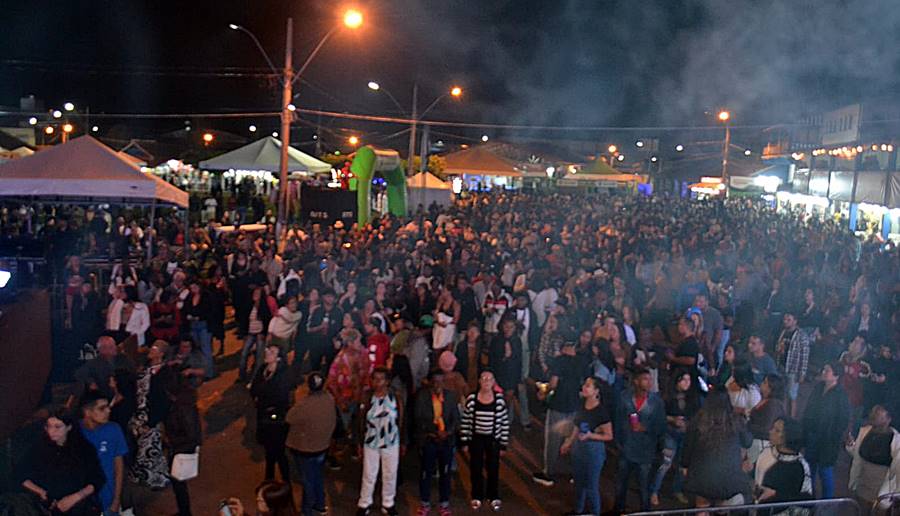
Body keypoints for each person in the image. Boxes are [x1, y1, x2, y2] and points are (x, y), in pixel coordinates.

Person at [18, 407, 105, 516]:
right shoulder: (37, 448)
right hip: (45, 506)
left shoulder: (84, 449)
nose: (51, 431)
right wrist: (41, 492)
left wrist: (75, 498)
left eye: (57, 427)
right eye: (48, 426)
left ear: (69, 427)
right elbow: (20, 474)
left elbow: (97, 479)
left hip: (78, 506)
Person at [681, 392, 753, 510]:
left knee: (702, 505)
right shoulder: (735, 421)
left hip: (700, 478)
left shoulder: (697, 421)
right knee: (724, 504)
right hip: (729, 479)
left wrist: (685, 466)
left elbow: (687, 449)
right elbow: (748, 442)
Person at [533, 340, 585, 487]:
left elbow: (553, 384)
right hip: (574, 405)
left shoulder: (559, 361)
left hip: (558, 404)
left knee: (553, 440)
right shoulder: (580, 362)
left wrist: (544, 393)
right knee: (572, 439)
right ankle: (575, 473)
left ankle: (548, 473)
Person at [614, 368, 666, 513]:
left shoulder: (657, 402)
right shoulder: (624, 397)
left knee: (644, 486)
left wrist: (647, 428)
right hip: (626, 447)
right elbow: (617, 420)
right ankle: (619, 509)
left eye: (650, 379)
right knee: (621, 484)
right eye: (645, 379)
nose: (649, 383)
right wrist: (619, 442)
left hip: (645, 451)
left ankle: (645, 511)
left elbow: (662, 427)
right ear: (636, 381)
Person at [560, 377, 614, 516]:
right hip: (579, 448)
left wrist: (591, 436)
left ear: (596, 391)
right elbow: (577, 426)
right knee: (578, 483)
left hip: (593, 451)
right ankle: (578, 510)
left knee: (591, 486)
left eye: (588, 386)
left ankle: (595, 512)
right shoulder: (582, 404)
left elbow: (609, 435)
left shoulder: (601, 412)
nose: (584, 387)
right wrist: (569, 442)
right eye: (584, 384)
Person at [356, 366, 404, 516]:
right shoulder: (366, 397)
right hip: (371, 442)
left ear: (387, 381)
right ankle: (364, 503)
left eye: (381, 379)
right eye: (375, 379)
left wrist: (403, 441)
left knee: (390, 473)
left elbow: (402, 419)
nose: (377, 382)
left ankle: (388, 503)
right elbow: (359, 420)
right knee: (369, 474)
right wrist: (358, 442)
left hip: (391, 442)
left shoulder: (395, 397)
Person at [285, 372, 336, 516]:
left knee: (308, 481)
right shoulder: (329, 399)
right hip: (322, 446)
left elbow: (289, 418)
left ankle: (307, 510)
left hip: (305, 449)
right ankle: (320, 504)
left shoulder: (304, 404)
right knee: (317, 476)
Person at [460, 370, 510, 512]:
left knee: (493, 468)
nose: (487, 381)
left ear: (494, 382)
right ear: (479, 381)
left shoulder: (499, 400)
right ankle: (477, 495)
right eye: (484, 378)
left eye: (489, 379)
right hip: (476, 439)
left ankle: (493, 495)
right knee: (475, 468)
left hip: (493, 440)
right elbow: (466, 421)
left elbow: (505, 423)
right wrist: (464, 441)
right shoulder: (472, 399)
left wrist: (503, 444)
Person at [128, 340, 175, 489]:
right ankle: (149, 476)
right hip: (141, 415)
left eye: (154, 348)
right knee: (145, 448)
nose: (150, 350)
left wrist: (152, 422)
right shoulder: (147, 368)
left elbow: (162, 401)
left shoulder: (165, 373)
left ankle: (155, 478)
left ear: (161, 354)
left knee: (150, 449)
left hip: (151, 417)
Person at [413, 369, 460, 516]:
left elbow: (456, 419)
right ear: (430, 382)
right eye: (435, 381)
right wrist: (433, 432)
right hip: (429, 440)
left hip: (446, 441)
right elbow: (418, 418)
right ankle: (424, 502)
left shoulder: (450, 397)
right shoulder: (422, 396)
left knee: (445, 473)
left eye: (441, 381)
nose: (438, 384)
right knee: (426, 472)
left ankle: (444, 503)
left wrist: (447, 432)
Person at [650, 371, 700, 506]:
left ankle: (677, 489)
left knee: (681, 465)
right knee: (666, 463)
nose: (686, 383)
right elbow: (659, 415)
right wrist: (672, 419)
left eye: (688, 380)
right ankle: (654, 491)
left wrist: (688, 423)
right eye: (683, 379)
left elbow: (696, 415)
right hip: (670, 433)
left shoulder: (692, 398)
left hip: (685, 435)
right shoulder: (666, 397)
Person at [801, 361, 851, 499]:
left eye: (827, 370)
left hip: (828, 441)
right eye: (824, 369)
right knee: (809, 470)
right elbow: (808, 410)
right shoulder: (818, 388)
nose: (824, 372)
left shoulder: (841, 396)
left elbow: (843, 420)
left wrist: (833, 435)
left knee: (825, 472)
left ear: (836, 376)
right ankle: (808, 498)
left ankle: (826, 503)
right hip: (812, 435)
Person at [80, 391, 129, 515]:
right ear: (87, 412)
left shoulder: (114, 429)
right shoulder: (76, 432)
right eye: (102, 408)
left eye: (108, 407)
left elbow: (119, 466)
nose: (108, 411)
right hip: (83, 499)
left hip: (108, 496)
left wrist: (117, 499)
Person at [250, 344, 293, 481]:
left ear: (279, 358)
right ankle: (269, 479)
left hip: (276, 419)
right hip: (263, 415)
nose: (267, 352)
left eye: (272, 352)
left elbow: (280, 397)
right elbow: (254, 388)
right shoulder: (263, 369)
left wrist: (262, 395)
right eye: (267, 350)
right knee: (269, 450)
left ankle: (285, 480)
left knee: (278, 451)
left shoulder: (283, 374)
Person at [848, 405, 900, 511]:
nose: (874, 418)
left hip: (881, 489)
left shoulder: (896, 441)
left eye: (879, 416)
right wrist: (850, 445)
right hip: (862, 485)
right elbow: (858, 454)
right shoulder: (865, 432)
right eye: (874, 414)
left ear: (888, 419)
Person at [754, 417, 813, 507]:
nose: (771, 431)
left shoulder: (798, 466)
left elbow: (804, 499)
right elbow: (758, 472)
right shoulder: (767, 451)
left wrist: (775, 494)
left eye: (777, 430)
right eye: (773, 428)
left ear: (788, 436)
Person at [488, 318, 524, 427]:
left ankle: (505, 422)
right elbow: (492, 359)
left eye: (511, 327)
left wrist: (518, 380)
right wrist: (505, 357)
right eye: (506, 326)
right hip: (498, 375)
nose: (508, 329)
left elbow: (518, 361)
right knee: (496, 400)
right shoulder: (496, 340)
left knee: (507, 401)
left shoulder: (517, 341)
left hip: (511, 377)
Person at [748, 375, 788, 466]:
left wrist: (747, 425)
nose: (762, 384)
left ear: (771, 388)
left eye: (765, 383)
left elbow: (766, 429)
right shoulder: (765, 400)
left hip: (761, 445)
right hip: (755, 441)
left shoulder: (773, 405)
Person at [776, 313, 810, 417]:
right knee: (782, 393)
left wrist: (802, 373)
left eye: (788, 319)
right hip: (782, 366)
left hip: (793, 369)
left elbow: (805, 356)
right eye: (785, 319)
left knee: (792, 395)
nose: (785, 321)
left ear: (795, 321)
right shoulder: (783, 332)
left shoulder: (801, 336)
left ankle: (791, 417)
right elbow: (778, 348)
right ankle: (783, 415)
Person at [240, 286, 273, 383]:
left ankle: (255, 377)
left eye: (258, 294)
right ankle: (242, 375)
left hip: (259, 334)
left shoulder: (264, 307)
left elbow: (267, 321)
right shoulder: (249, 306)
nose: (255, 295)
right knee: (244, 354)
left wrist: (263, 333)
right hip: (250, 333)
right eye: (254, 293)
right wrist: (244, 333)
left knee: (259, 357)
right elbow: (244, 320)